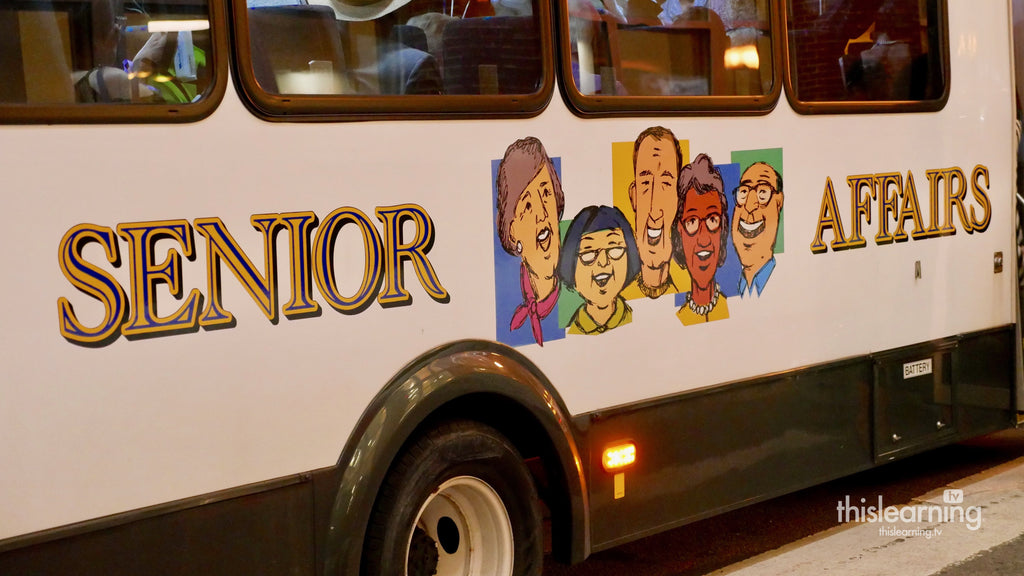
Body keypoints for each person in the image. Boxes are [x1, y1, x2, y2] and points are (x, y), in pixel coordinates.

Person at [495, 137, 565, 345]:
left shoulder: (579, 292)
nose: (542, 214)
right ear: (512, 232)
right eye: (527, 206)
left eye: (546, 194)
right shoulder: (509, 308)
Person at [622, 126, 690, 300]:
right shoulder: (616, 296)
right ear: (634, 196)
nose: (654, 211)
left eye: (666, 184)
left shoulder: (688, 292)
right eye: (645, 183)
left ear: (679, 200)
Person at [559, 205, 641, 334]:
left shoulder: (639, 318)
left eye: (614, 249)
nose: (603, 262)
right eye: (588, 253)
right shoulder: (572, 331)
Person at [673, 153, 729, 324]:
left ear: (722, 228)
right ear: (680, 231)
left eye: (712, 220)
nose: (704, 239)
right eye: (692, 222)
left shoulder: (732, 307)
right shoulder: (677, 319)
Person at [731, 161, 782, 297]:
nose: (749, 206)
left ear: (779, 203)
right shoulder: (735, 291)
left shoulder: (782, 284)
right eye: (744, 192)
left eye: (762, 192)